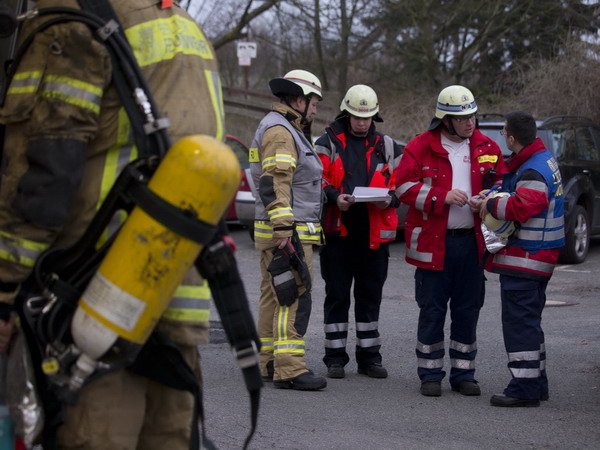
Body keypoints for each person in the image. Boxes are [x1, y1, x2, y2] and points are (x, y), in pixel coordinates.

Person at [0, 1, 224, 448]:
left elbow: (43, 181)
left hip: (90, 309)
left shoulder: (70, 26)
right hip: (171, 305)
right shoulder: (183, 28)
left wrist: (4, 291)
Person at [395, 85, 505, 397]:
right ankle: (430, 374)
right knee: (432, 309)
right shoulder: (420, 146)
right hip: (433, 242)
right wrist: (442, 197)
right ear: (445, 120)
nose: (470, 123)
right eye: (462, 118)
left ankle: (464, 373)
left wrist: (486, 197)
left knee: (468, 308)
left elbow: (500, 182)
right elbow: (402, 187)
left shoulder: (487, 146)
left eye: (472, 116)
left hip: (471, 244)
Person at [474, 110, 564, 407]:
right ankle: (537, 383)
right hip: (538, 258)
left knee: (520, 325)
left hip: (527, 259)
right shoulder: (539, 160)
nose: (503, 136)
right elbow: (518, 190)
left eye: (503, 132)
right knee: (530, 322)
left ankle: (524, 389)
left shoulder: (533, 169)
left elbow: (523, 206)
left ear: (511, 138)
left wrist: (490, 202)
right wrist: (498, 191)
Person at [314, 84, 402, 379]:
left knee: (370, 296)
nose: (362, 122)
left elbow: (401, 184)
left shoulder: (387, 146)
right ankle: (335, 358)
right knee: (337, 294)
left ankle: (369, 357)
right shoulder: (327, 142)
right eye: (356, 116)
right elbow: (316, 179)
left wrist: (391, 198)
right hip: (339, 232)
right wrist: (333, 197)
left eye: (367, 117)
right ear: (346, 113)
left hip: (373, 234)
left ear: (374, 117)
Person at [250, 69, 327, 391]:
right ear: (299, 98)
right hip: (288, 231)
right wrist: (283, 230)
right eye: (314, 102)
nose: (315, 109)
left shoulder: (282, 127)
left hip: (281, 229)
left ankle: (268, 363)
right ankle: (290, 369)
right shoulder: (282, 131)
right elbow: (276, 182)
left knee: (273, 295)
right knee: (291, 296)